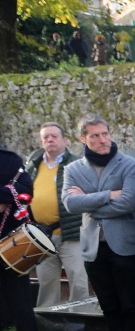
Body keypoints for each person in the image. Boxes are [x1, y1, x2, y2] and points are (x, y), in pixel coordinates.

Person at [62, 115, 135, 331]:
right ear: (82, 139)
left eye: (105, 134)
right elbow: (69, 204)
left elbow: (130, 203)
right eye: (95, 136)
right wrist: (109, 195)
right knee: (108, 303)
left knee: (128, 301)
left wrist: (88, 200)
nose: (102, 140)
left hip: (125, 243)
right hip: (92, 245)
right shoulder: (73, 169)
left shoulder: (129, 165)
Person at [26, 122, 88, 308]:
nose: (50, 140)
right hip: (42, 235)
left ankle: (83, 324)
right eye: (46, 137)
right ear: (41, 141)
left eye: (54, 136)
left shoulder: (76, 163)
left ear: (65, 140)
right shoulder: (33, 165)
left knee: (78, 279)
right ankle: (48, 326)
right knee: (46, 283)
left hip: (71, 233)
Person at [0, 145, 45, 331]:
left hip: (12, 241)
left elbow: (25, 190)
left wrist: (6, 197)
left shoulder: (9, 160)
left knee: (21, 301)